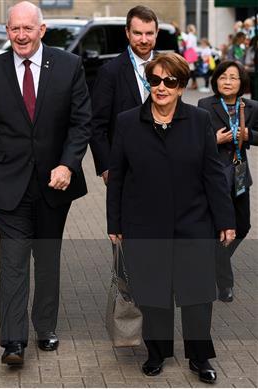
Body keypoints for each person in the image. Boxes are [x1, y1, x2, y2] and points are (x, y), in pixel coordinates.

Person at [0, 1, 91, 366]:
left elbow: (81, 123)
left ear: (42, 29)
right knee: (14, 262)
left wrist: (69, 164)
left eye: (28, 28)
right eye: (14, 28)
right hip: (8, 185)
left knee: (48, 259)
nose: (21, 35)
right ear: (7, 32)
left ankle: (45, 326)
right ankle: (13, 341)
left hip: (55, 185)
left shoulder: (69, 67)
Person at [107, 53, 236, 384]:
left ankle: (200, 356)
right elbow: (118, 178)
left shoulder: (199, 120)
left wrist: (225, 220)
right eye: (155, 80)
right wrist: (115, 224)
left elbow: (213, 175)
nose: (161, 87)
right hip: (144, 224)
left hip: (194, 221)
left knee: (197, 293)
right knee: (153, 293)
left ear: (182, 86)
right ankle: (157, 352)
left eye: (170, 81)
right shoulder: (126, 122)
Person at [198, 61, 258, 303]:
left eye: (233, 78)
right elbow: (196, 140)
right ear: (216, 81)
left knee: (242, 226)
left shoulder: (252, 107)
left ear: (242, 82)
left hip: (240, 174)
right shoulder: (205, 105)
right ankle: (225, 285)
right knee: (218, 227)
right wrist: (215, 139)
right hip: (214, 175)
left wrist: (248, 136)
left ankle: (215, 259)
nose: (228, 82)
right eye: (223, 77)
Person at [89, 5, 158, 184]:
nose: (144, 40)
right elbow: (97, 125)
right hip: (124, 167)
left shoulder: (168, 68)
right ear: (127, 32)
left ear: (157, 33)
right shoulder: (110, 72)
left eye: (149, 33)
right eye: (137, 33)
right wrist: (106, 167)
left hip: (165, 162)